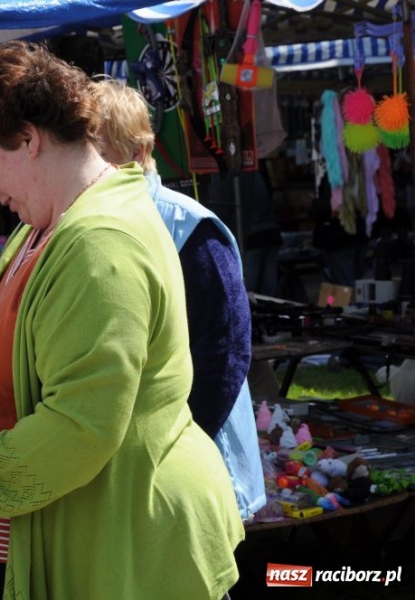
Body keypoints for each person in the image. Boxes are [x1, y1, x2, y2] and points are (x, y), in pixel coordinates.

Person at [0, 41, 244, 599]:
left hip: (125, 551)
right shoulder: (48, 225)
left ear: (30, 139)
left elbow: (81, 422)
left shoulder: (99, 240)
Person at [91, 78, 265, 523]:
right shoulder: (91, 220)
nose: (89, 168)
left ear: (138, 150)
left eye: (99, 154)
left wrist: (179, 446)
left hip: (196, 459)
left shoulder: (188, 225)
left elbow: (226, 353)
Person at [207, 167, 284, 296]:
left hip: (252, 237)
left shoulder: (232, 175)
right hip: (271, 233)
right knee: (269, 294)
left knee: (249, 293)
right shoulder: (255, 171)